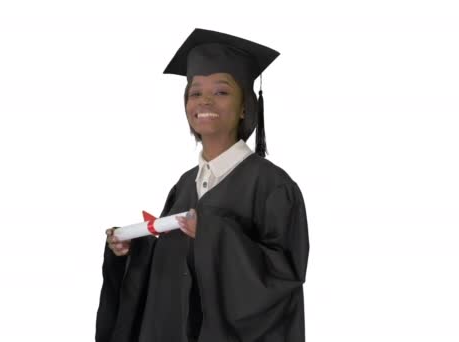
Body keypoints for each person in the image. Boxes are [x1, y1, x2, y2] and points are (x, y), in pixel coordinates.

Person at [96, 28, 309, 342]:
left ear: (245, 107)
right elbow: (171, 273)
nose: (204, 100)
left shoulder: (273, 186)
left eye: (221, 91)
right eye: (195, 93)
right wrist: (131, 250)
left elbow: (283, 277)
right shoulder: (184, 185)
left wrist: (213, 233)